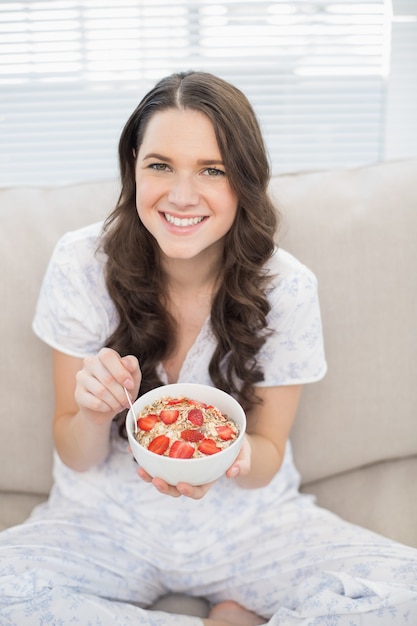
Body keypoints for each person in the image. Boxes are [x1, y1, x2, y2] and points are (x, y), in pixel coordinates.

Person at [0, 71, 416, 626]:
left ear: (243, 181)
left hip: (249, 526)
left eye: (211, 170)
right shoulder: (81, 263)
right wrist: (94, 411)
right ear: (133, 168)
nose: (180, 195)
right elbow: (76, 453)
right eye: (159, 165)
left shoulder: (287, 287)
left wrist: (235, 457)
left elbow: (265, 457)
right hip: (104, 523)